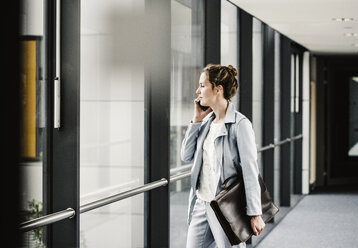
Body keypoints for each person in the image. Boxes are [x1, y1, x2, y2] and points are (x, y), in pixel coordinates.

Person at [181, 64, 265, 248]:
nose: (198, 90)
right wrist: (195, 121)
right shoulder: (205, 123)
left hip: (225, 206)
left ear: (218, 89)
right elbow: (186, 156)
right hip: (202, 203)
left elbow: (250, 171)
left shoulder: (240, 124)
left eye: (203, 85)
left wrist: (255, 213)